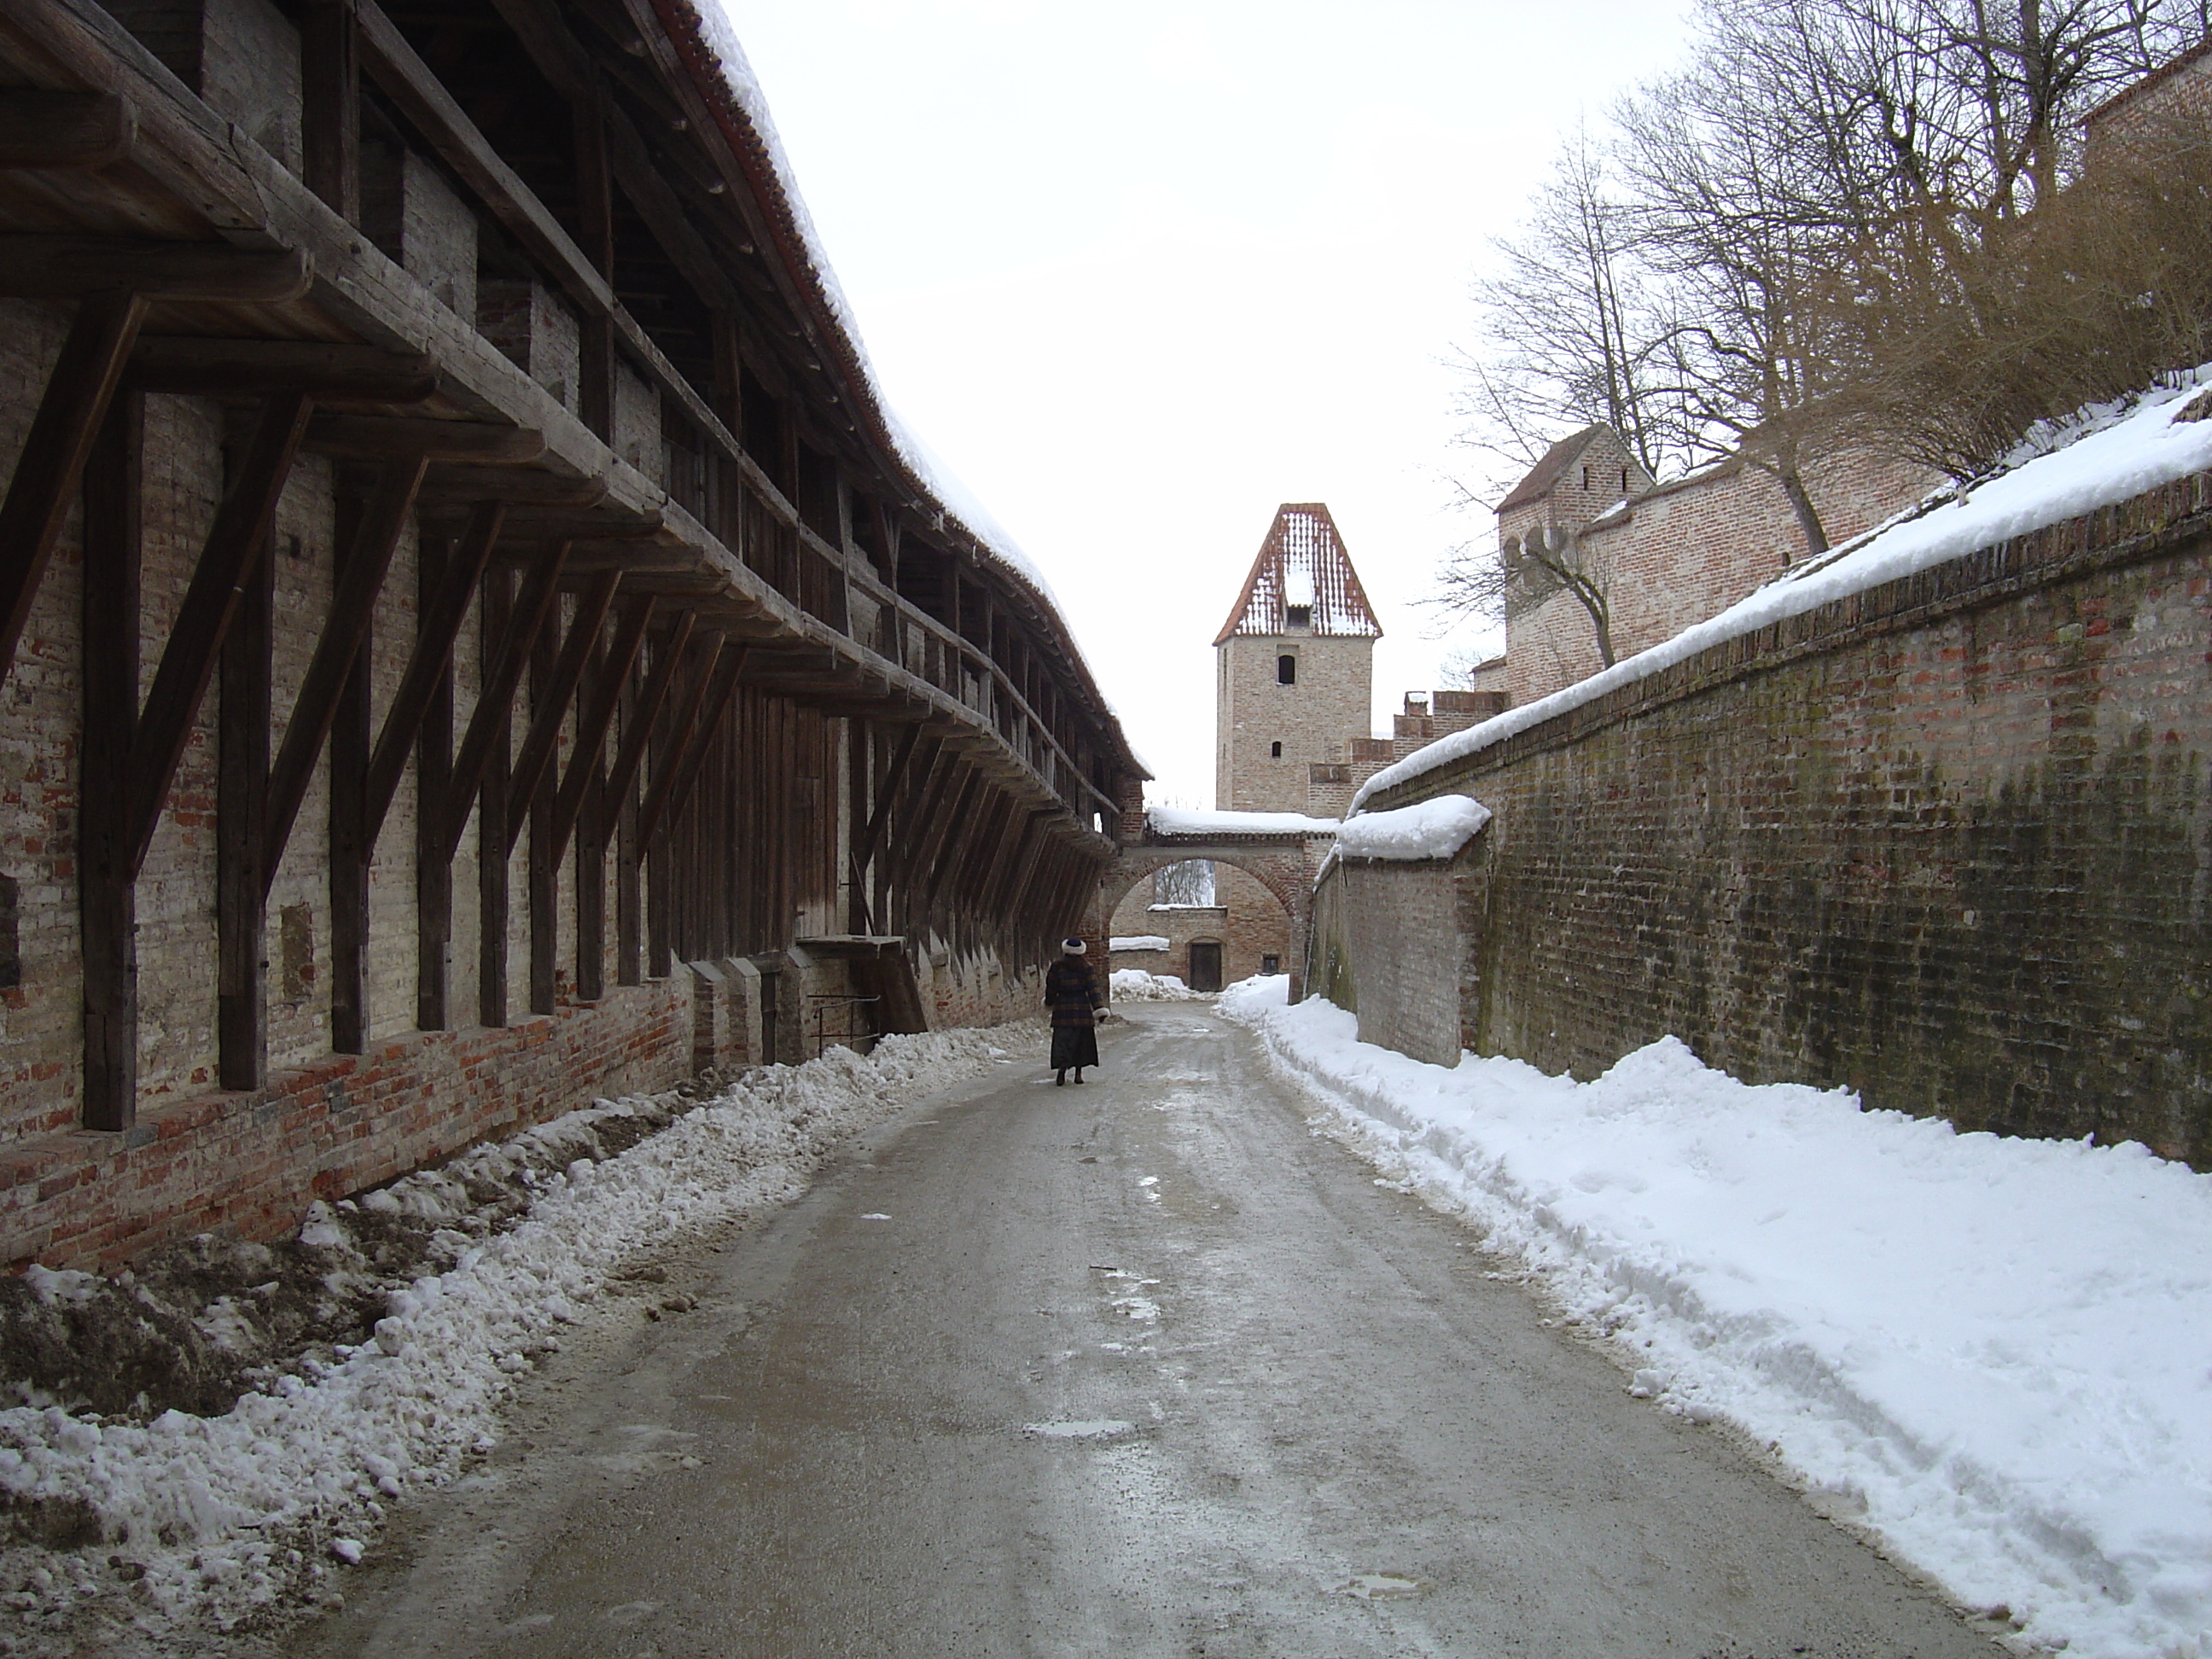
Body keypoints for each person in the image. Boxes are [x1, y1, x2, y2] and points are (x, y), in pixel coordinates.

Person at [1044, 937, 1106, 1086]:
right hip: (1082, 1009)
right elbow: (1093, 989)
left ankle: (1062, 1071)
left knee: (1063, 1041)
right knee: (1081, 1042)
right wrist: (1099, 1008)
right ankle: (1078, 1074)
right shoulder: (1086, 967)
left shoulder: (1057, 966)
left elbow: (1051, 987)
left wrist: (1049, 1001)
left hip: (1063, 1009)